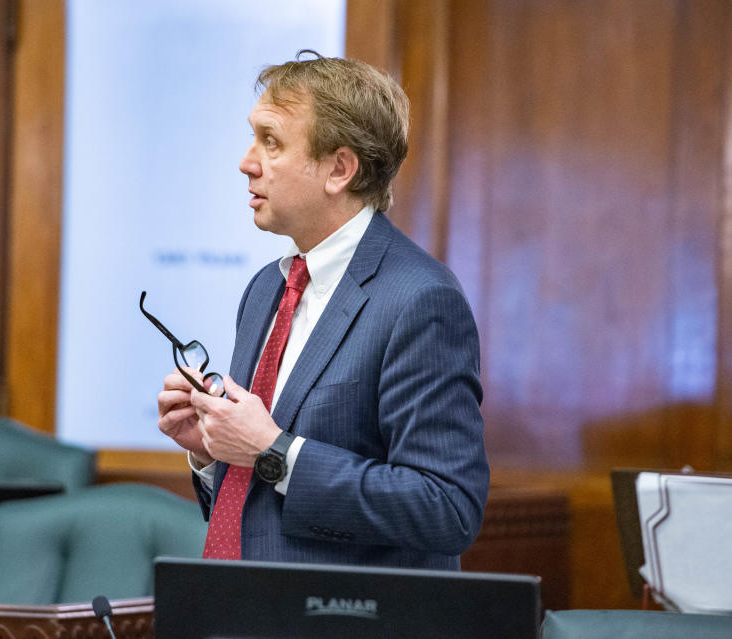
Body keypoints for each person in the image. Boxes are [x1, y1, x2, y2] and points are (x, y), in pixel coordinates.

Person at [157, 50, 489, 570]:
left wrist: (274, 452)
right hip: (242, 609)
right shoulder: (268, 287)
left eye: (270, 141)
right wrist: (210, 451)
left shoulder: (421, 300)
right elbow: (262, 495)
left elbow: (446, 508)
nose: (246, 161)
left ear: (339, 169)